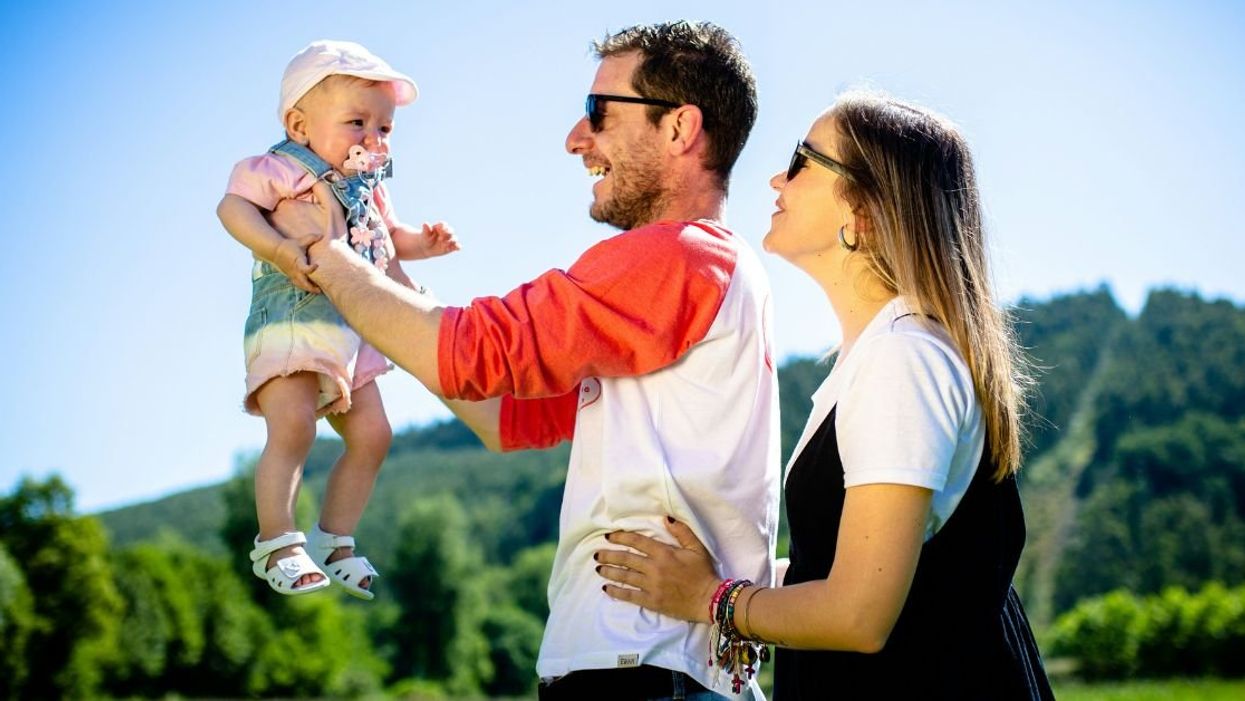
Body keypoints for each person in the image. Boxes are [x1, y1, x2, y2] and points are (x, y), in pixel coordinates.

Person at [272, 21, 779, 700]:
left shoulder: (680, 254)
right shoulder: (693, 278)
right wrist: (381, 265)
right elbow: (501, 415)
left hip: (640, 665)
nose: (575, 137)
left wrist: (323, 253)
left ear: (680, 129)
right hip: (649, 665)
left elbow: (472, 353)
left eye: (599, 112)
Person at [594, 92, 1056, 699]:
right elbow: (871, 574)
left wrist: (712, 598)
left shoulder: (904, 359)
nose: (777, 178)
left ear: (861, 211)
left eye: (803, 160)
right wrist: (747, 576)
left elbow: (858, 616)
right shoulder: (877, 358)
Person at [216, 40, 459, 599]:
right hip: (293, 316)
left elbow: (387, 241)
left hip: (354, 331)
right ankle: (278, 540)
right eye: (357, 122)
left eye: (385, 128)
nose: (373, 138)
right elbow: (233, 207)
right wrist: (277, 249)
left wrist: (425, 242)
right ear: (299, 125)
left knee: (374, 435)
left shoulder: (370, 190)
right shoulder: (278, 168)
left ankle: (336, 537)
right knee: (294, 426)